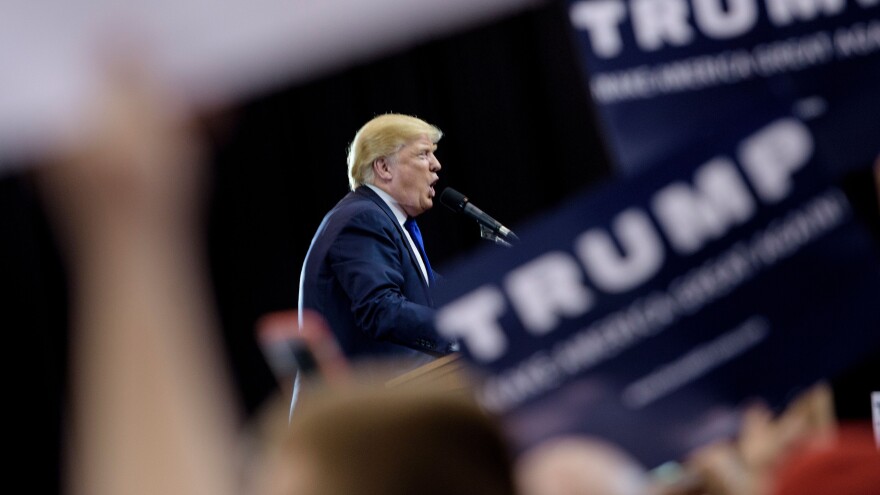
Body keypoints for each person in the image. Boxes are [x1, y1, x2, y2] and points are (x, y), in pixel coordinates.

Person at [294, 113, 459, 409]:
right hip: (352, 414)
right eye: (423, 154)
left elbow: (434, 294)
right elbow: (381, 309)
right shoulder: (361, 219)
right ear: (383, 167)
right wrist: (459, 326)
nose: (436, 165)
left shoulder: (386, 221)